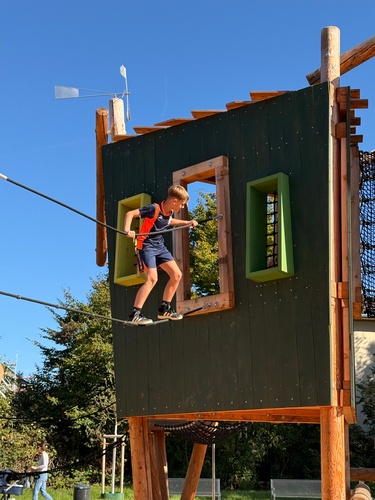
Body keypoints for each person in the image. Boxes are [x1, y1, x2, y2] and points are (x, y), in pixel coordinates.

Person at [124, 184, 198, 324]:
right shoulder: (154, 208)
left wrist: (187, 222)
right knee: (152, 279)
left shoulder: (169, 211)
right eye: (182, 205)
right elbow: (130, 214)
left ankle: (164, 309)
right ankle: (135, 314)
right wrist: (128, 230)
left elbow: (169, 222)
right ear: (174, 201)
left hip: (160, 247)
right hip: (146, 247)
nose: (182, 208)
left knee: (176, 275)